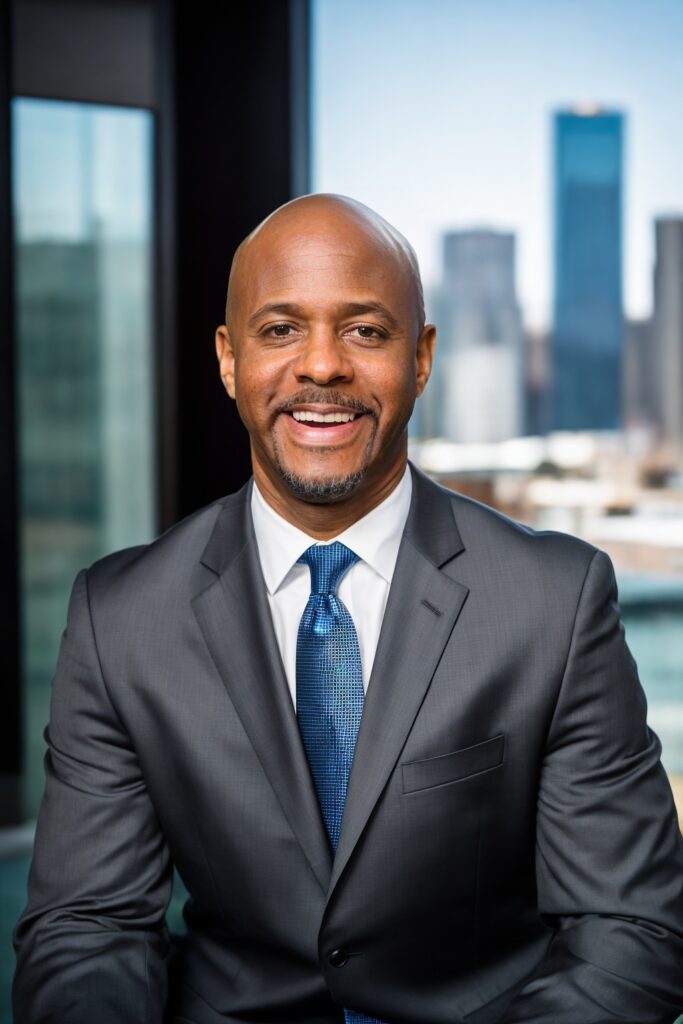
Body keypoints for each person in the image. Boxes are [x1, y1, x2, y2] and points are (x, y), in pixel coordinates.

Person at [12, 193, 683, 1024]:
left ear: (421, 356)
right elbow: (88, 929)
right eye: (279, 330)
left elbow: (628, 928)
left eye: (364, 331)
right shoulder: (120, 620)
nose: (321, 366)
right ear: (228, 359)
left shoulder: (555, 601)